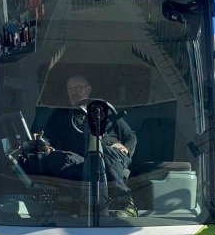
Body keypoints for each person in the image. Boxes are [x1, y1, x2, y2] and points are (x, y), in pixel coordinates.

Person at [32, 73, 138, 216]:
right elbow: (48, 138)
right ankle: (72, 204)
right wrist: (44, 144)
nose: (75, 92)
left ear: (88, 90)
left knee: (101, 153)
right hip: (81, 161)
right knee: (58, 158)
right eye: (71, 89)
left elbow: (130, 136)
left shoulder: (104, 110)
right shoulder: (60, 114)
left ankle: (125, 201)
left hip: (112, 156)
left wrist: (126, 148)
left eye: (79, 88)